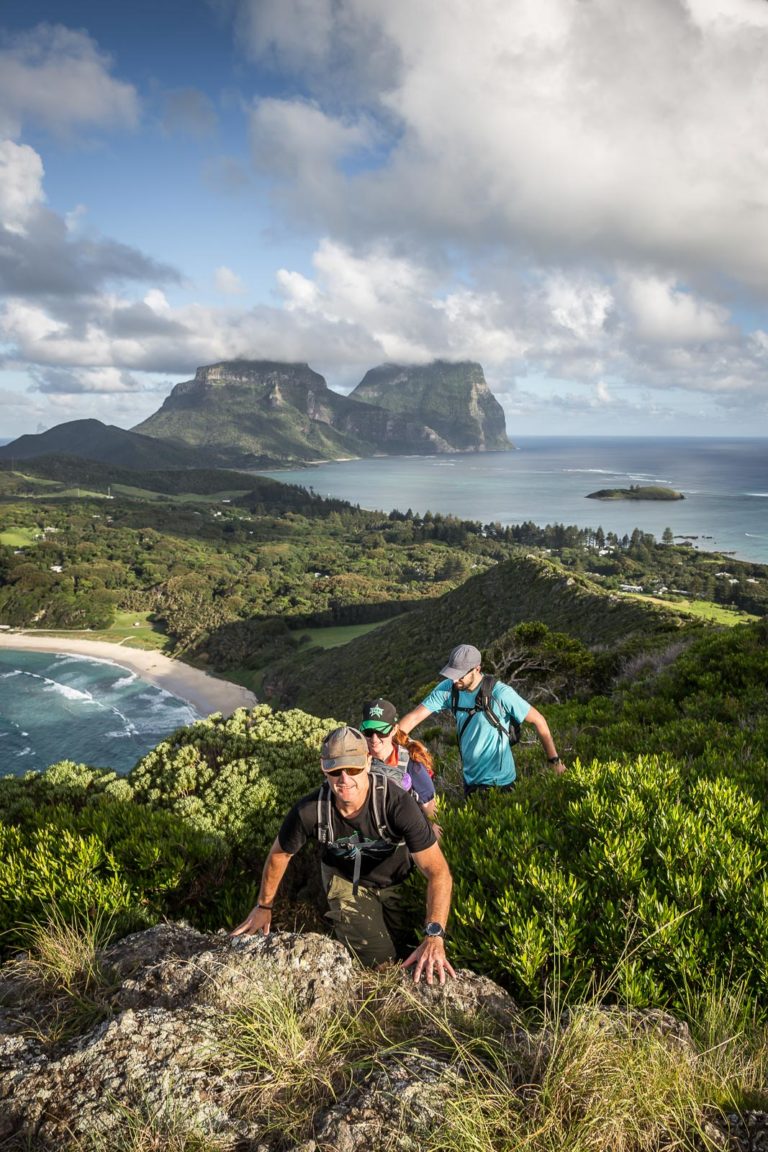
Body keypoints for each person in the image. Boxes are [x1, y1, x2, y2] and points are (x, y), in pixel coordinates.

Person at [231, 725, 455, 984]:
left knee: (407, 943)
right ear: (323, 768)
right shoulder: (311, 810)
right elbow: (280, 854)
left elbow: (438, 871)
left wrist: (435, 935)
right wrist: (263, 906)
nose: (345, 779)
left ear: (369, 762)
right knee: (381, 962)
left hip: (398, 880)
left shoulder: (397, 804)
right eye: (335, 771)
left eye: (353, 769)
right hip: (347, 882)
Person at [399, 643, 564, 796]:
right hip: (470, 781)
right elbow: (414, 717)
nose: (455, 680)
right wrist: (390, 740)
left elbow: (538, 720)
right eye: (452, 675)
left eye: (460, 675)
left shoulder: (500, 693)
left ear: (477, 669)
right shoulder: (449, 690)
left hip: (501, 783)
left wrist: (554, 761)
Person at [359, 698, 438, 822]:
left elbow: (432, 811)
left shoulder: (411, 764)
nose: (374, 739)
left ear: (394, 730)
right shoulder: (356, 760)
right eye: (368, 732)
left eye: (382, 732)